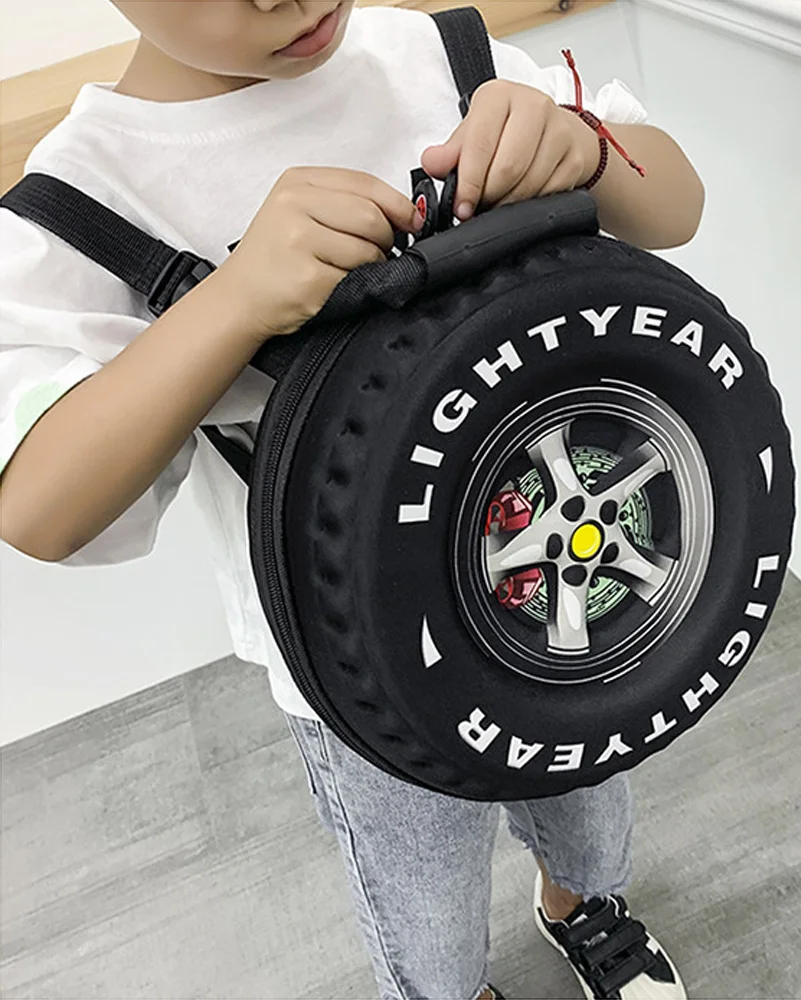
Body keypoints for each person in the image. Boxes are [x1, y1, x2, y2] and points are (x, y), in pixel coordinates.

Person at [0, 2, 705, 997]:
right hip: (358, 662)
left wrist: (584, 149)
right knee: (424, 891)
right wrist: (232, 301)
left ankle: (580, 904)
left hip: (562, 583)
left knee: (587, 793)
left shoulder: (446, 57)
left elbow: (675, 205)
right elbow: (39, 507)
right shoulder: (88, 198)